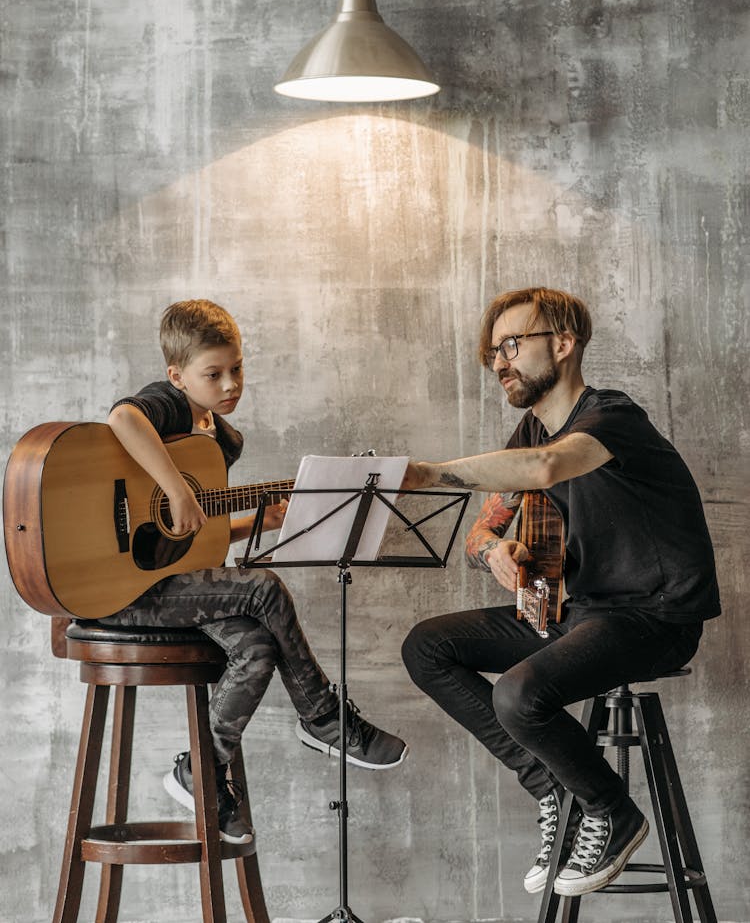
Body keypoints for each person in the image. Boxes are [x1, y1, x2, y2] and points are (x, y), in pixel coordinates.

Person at [401, 286, 720, 898]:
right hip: (580, 613)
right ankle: (553, 785)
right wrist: (495, 550)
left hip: (654, 619)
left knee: (520, 694)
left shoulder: (612, 417)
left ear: (564, 344)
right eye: (493, 351)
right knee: (428, 647)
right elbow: (483, 530)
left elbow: (546, 469)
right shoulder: (528, 432)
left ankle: (612, 811)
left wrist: (431, 474)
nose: (499, 362)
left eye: (513, 345)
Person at [102, 299, 407, 846]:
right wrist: (172, 486)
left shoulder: (225, 441)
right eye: (212, 374)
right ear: (177, 376)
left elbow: (196, 532)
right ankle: (323, 717)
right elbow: (122, 419)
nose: (229, 385)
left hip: (179, 584)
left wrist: (256, 522)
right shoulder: (168, 406)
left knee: (258, 649)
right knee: (263, 586)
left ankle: (199, 771)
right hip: (128, 588)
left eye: (236, 369)